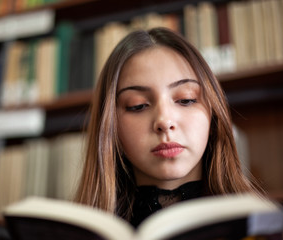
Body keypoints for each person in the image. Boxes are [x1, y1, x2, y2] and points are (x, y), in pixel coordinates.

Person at [74, 27, 263, 227]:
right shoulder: (81, 230)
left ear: (213, 113)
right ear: (110, 126)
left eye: (186, 100)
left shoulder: (262, 224)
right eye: (137, 105)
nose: (164, 121)